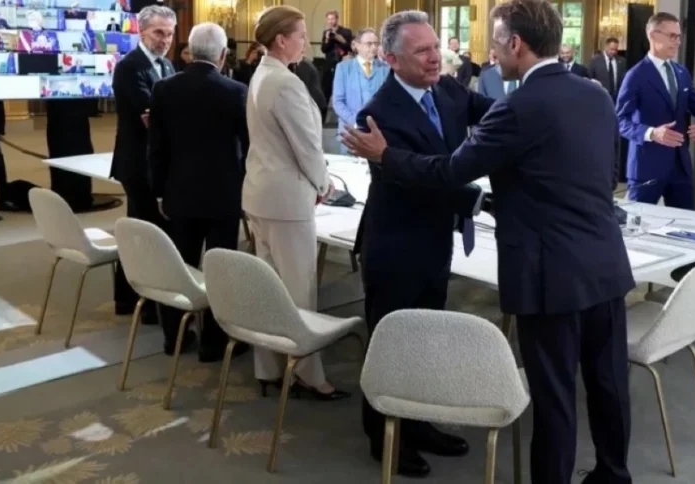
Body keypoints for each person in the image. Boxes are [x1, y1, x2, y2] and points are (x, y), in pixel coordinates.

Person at [341, 1, 634, 483]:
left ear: (515, 43)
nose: (488, 54)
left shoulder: (509, 104)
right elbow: (602, 170)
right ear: (391, 59)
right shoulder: (595, 94)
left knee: (556, 396)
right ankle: (612, 474)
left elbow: (451, 170)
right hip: (600, 261)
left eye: (495, 43)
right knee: (607, 382)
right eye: (422, 50)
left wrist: (387, 155)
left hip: (548, 271)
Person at [349, 10, 491, 478]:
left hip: (434, 239)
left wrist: (538, 104)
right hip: (395, 244)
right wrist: (482, 201)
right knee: (391, 344)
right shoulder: (377, 115)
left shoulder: (446, 88)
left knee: (427, 338)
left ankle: (417, 423)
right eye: (422, 51)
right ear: (391, 59)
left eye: (436, 47)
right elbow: (419, 179)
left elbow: (492, 113)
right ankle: (384, 438)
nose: (436, 58)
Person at [242, 5, 348, 401]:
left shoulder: (261, 73)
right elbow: (306, 145)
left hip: (260, 193)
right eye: (301, 35)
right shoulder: (285, 83)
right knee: (298, 291)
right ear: (281, 40)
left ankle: (269, 367)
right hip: (286, 200)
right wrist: (324, 184)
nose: (307, 41)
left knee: (269, 288)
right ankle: (307, 375)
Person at [147, 22, 250, 362]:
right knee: (221, 270)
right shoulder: (236, 91)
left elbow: (156, 147)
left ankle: (174, 337)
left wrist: (159, 192)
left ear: (189, 52)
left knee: (181, 267)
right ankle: (214, 343)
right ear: (223, 55)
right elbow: (249, 149)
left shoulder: (163, 89)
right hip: (224, 195)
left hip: (179, 192)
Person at [616, 12, 695, 210]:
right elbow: (619, 120)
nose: (678, 42)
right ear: (653, 35)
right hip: (646, 167)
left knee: (686, 222)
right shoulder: (635, 75)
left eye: (679, 36)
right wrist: (652, 133)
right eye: (672, 36)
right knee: (637, 223)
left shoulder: (681, 72)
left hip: (680, 166)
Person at [109, 4, 175, 333]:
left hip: (156, 162)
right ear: (141, 31)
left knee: (146, 231)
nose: (165, 40)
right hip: (136, 163)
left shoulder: (167, 65)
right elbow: (150, 113)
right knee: (144, 234)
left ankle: (133, 298)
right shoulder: (129, 67)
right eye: (158, 33)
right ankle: (143, 303)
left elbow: (165, 114)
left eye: (170, 34)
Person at [332, 27, 388, 154]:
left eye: (376, 43)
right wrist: (356, 121)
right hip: (350, 132)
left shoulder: (386, 69)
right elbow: (338, 102)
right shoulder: (343, 68)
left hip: (378, 133)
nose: (373, 47)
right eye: (369, 44)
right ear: (356, 45)